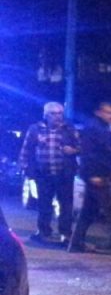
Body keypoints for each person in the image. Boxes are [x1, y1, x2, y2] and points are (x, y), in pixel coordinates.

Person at [17, 101, 79, 243]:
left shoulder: (68, 129)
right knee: (44, 203)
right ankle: (43, 231)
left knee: (66, 204)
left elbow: (81, 147)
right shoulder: (35, 129)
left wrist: (73, 150)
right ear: (45, 115)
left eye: (59, 113)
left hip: (64, 173)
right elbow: (26, 149)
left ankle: (66, 233)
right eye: (53, 113)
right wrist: (25, 166)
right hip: (43, 173)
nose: (57, 116)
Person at [67, 101, 111, 254]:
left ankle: (76, 243)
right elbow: (91, 154)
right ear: (99, 112)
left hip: (98, 174)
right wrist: (93, 174)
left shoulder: (101, 128)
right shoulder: (95, 128)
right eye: (108, 112)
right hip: (97, 175)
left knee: (88, 211)